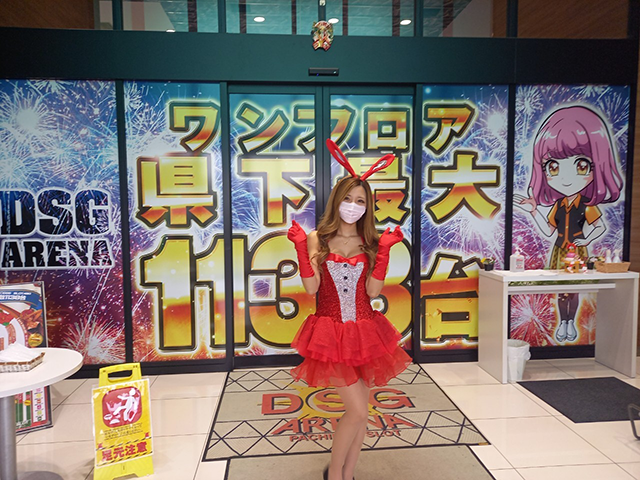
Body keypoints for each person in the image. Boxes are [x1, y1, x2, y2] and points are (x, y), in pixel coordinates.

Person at [287, 139, 411, 480]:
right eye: (348, 199)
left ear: (367, 207)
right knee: (356, 411)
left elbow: (372, 291)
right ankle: (334, 475)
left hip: (365, 330)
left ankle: (347, 472)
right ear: (336, 200)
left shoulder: (371, 242)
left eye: (360, 201)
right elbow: (311, 288)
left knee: (362, 411)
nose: (353, 206)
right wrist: (301, 249)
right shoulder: (319, 238)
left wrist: (384, 253)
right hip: (330, 332)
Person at [514, 105, 623, 343]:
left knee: (573, 288)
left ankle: (569, 322)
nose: (565, 178)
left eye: (581, 165)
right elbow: (549, 231)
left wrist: (586, 239)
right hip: (559, 250)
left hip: (577, 252)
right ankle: (564, 321)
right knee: (560, 289)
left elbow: (601, 227)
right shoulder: (559, 205)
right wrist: (534, 212)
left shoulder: (586, 205)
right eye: (553, 167)